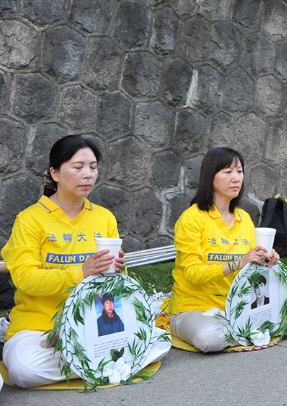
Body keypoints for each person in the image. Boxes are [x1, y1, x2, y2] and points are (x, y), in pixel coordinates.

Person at [1, 135, 170, 388]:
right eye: (78, 167)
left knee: (161, 341)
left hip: (94, 324)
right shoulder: (30, 220)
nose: (88, 174)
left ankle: (84, 353)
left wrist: (115, 271)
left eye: (92, 167)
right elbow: (25, 280)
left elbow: (111, 289)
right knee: (23, 369)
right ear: (55, 173)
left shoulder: (104, 218)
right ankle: (104, 361)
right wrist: (80, 271)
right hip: (38, 327)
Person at [170, 147, 287, 352]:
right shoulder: (191, 219)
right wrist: (238, 262)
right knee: (209, 338)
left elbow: (252, 267)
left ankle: (242, 328)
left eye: (239, 171)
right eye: (227, 172)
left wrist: (267, 261)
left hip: (238, 305)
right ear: (210, 177)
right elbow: (192, 274)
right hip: (195, 307)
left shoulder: (244, 219)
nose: (236, 178)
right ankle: (248, 329)